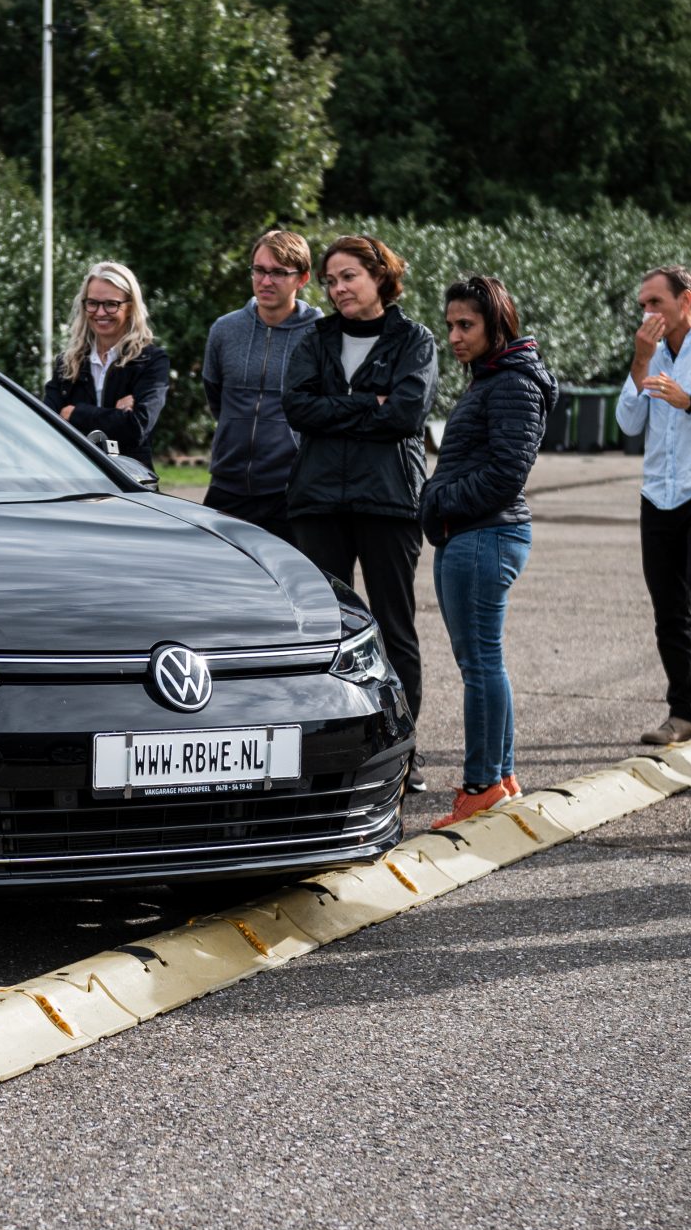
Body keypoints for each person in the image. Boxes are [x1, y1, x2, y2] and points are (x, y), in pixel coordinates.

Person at [283, 235, 440, 794]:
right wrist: (364, 405)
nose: (338, 288)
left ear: (379, 276)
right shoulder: (315, 338)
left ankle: (403, 751)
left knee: (394, 628)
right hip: (318, 501)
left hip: (388, 501)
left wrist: (341, 411)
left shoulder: (413, 340)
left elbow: (404, 415)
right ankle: (326, 750)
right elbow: (296, 406)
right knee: (321, 631)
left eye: (349, 276)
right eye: (331, 279)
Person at [421, 276, 555, 830]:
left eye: (466, 325)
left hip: (483, 534)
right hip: (473, 534)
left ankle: (481, 787)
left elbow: (506, 474)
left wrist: (437, 501)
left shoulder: (512, 384)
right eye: (450, 324)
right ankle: (499, 776)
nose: (454, 335)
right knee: (482, 662)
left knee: (479, 665)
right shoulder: (494, 378)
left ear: (496, 325)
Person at [616, 265, 691, 746]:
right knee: (667, 606)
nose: (648, 312)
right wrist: (640, 362)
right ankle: (684, 712)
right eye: (643, 304)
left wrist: (690, 401)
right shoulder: (650, 352)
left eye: (656, 303)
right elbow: (628, 423)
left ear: (685, 300)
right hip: (656, 493)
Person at [202, 228, 325, 541]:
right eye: (259, 270)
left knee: (294, 585)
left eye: (279, 272)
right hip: (227, 488)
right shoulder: (224, 330)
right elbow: (216, 397)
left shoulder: (321, 337)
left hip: (292, 492)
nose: (266, 281)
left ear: (303, 278)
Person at [44, 261, 169, 462]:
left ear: (130, 307)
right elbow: (48, 424)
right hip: (77, 479)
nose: (100, 313)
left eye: (111, 304)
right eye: (92, 303)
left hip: (129, 483)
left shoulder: (150, 361)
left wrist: (76, 413)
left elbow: (137, 427)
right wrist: (114, 415)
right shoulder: (68, 363)